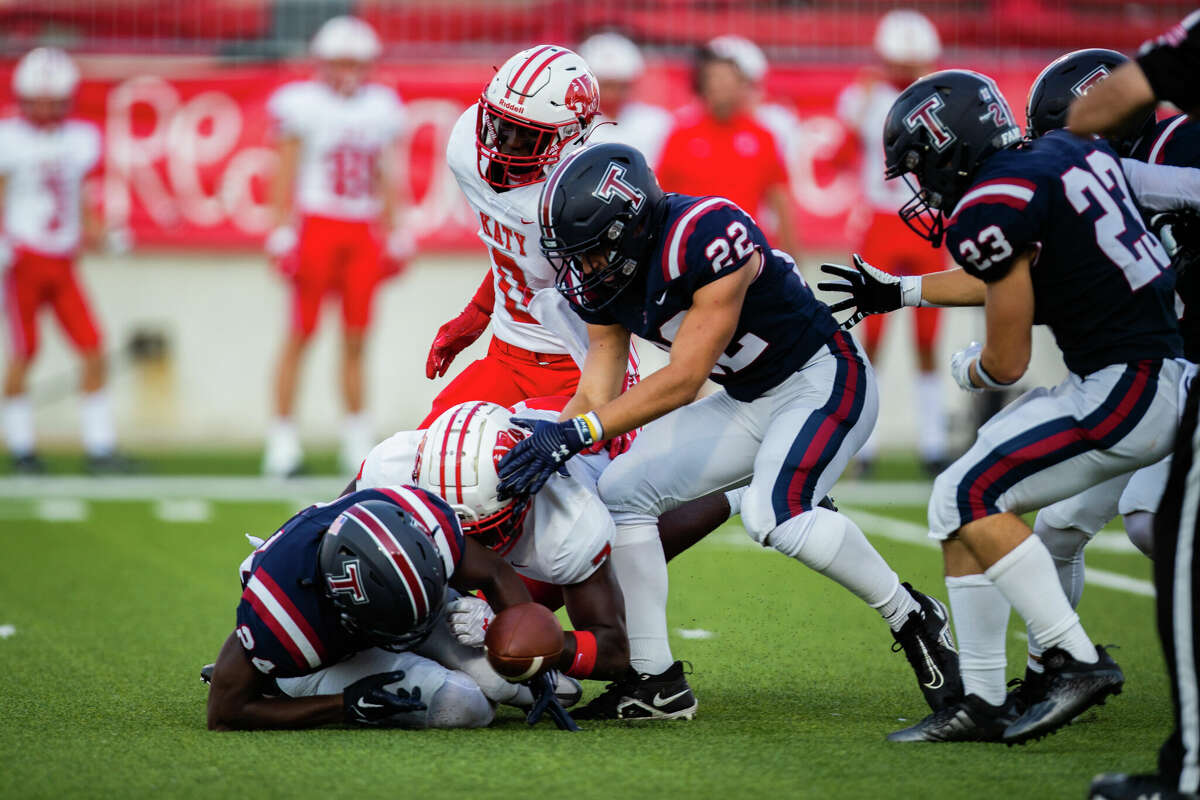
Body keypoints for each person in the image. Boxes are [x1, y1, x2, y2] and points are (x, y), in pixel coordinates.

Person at [497, 142, 961, 721]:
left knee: (776, 516)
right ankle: (656, 681)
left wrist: (579, 433)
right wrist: (552, 445)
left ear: (629, 226)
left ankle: (912, 615)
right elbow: (596, 392)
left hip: (821, 378)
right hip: (748, 399)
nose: (582, 268)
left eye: (591, 252)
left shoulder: (707, 232)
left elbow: (686, 378)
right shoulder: (600, 280)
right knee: (621, 493)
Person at [818, 68, 1187, 744]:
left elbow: (1008, 360)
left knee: (965, 491)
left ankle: (1073, 657)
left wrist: (971, 368)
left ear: (948, 147)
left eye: (920, 167)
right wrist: (903, 292)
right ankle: (982, 699)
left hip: (1123, 384)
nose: (922, 186)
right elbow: (1034, 276)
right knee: (959, 504)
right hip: (1151, 370)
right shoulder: (1069, 154)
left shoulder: (991, 203)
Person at [354, 397, 741, 718]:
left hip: (620, 463)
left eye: (485, 530)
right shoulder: (391, 466)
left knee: (636, 534)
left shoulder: (569, 521)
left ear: (522, 497)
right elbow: (332, 531)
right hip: (539, 422)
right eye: (457, 529)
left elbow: (612, 651)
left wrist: (517, 639)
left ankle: (743, 491)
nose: (472, 547)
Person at [1067, 11, 1200, 799]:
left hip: (1170, 369)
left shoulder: (1166, 144)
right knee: (1073, 523)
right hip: (1147, 365)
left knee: (1166, 527)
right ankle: (1063, 665)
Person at [205, 484, 555, 730]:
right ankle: (277, 686)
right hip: (331, 653)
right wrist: (342, 706)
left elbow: (495, 571)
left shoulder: (415, 521)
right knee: (464, 704)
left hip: (410, 600)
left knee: (527, 683)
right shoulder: (283, 616)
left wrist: (512, 632)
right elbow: (224, 713)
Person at [423, 44, 640, 433]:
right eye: (498, 125)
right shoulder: (464, 149)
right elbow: (519, 250)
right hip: (507, 355)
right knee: (422, 454)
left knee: (522, 477)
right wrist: (478, 312)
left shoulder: (588, 195)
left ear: (569, 139)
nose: (501, 145)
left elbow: (614, 307)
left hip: (580, 367)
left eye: (524, 137)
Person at [261, 15, 411, 477]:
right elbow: (284, 169)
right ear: (322, 63)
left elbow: (387, 172)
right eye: (339, 62)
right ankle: (282, 440)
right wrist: (281, 226)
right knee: (301, 332)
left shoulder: (381, 106)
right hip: (317, 225)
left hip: (361, 228)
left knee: (356, 336)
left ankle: (355, 439)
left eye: (356, 63)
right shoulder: (302, 104)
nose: (347, 71)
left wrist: (396, 227)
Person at [0, 47, 127, 474]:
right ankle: (22, 449)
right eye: (40, 101)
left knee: (93, 347)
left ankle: (100, 446)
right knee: (25, 351)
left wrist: (103, 236)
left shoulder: (79, 140)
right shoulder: (10, 139)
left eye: (55, 101)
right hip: (24, 259)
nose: (47, 109)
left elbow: (83, 205)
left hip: (63, 261)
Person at [835, 9, 947, 475]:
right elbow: (839, 157)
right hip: (881, 219)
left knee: (927, 338)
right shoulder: (864, 98)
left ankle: (933, 442)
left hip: (926, 218)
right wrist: (858, 111)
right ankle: (866, 445)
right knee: (874, 336)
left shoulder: (941, 95)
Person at [655, 36, 799, 260]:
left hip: (748, 252)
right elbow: (661, 199)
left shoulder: (763, 136)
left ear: (742, 84)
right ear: (702, 84)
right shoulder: (679, 135)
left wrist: (792, 256)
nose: (720, 85)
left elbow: (779, 200)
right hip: (691, 252)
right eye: (713, 78)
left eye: (727, 78)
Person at [577, 32, 673, 168]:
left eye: (618, 85)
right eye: (606, 85)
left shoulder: (656, 122)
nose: (612, 93)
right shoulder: (573, 125)